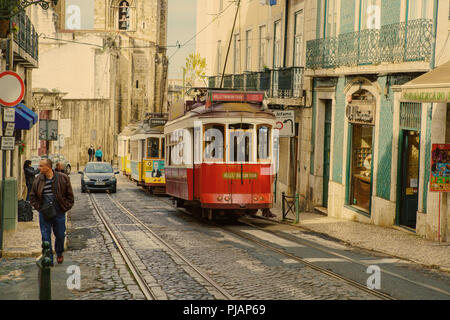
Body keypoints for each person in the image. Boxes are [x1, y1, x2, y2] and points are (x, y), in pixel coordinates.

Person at [30, 158, 74, 266]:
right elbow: (32, 196)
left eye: (41, 166)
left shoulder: (63, 178)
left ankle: (59, 252)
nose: (38, 168)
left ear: (48, 167)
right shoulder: (38, 179)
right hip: (44, 212)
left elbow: (70, 196)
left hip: (59, 212)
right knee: (45, 236)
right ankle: (48, 258)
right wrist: (39, 208)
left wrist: (65, 207)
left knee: (60, 235)